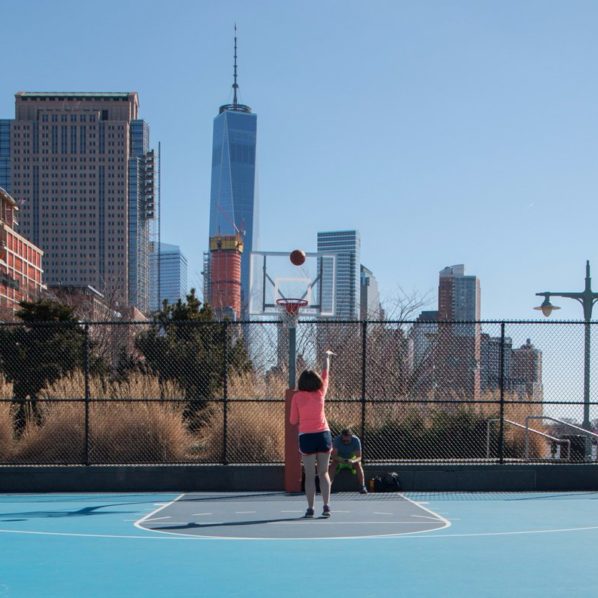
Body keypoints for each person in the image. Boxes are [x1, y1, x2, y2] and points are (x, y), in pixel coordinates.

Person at [289, 351, 334, 518]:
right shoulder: (321, 392)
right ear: (316, 381)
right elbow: (325, 373)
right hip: (323, 435)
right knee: (324, 472)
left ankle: (310, 508)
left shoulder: (297, 397)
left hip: (306, 437)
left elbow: (293, 421)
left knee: (309, 475)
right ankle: (326, 506)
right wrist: (326, 358)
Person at [329, 428, 367, 494]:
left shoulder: (356, 440)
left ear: (351, 436)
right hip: (339, 459)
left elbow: (359, 457)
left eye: (347, 440)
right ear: (341, 436)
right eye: (344, 440)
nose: (345, 442)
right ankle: (328, 487)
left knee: (358, 464)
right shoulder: (336, 440)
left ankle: (362, 486)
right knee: (333, 464)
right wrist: (341, 460)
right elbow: (334, 456)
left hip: (351, 459)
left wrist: (352, 461)